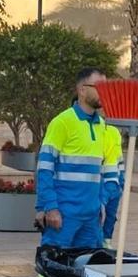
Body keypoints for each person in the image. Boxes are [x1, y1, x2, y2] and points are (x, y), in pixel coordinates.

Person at [35, 68, 112, 249]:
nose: (104, 92)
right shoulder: (62, 122)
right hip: (63, 215)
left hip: (91, 218)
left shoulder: (103, 126)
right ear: (82, 90)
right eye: (99, 86)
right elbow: (44, 168)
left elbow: (102, 170)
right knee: (54, 268)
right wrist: (49, 208)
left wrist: (101, 203)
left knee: (87, 271)